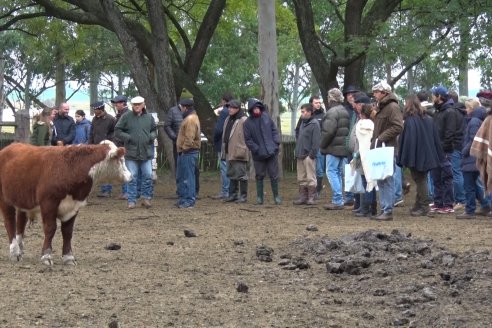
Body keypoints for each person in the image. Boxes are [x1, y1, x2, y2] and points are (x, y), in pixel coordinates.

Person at [397, 95, 444, 217]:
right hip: (428, 154)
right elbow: (435, 138)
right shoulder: (428, 119)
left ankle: (424, 206)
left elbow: (408, 141)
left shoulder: (410, 121)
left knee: (420, 179)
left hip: (417, 155)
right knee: (421, 178)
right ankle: (418, 205)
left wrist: (406, 157)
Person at [115, 96, 157, 210]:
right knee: (132, 177)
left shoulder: (149, 117)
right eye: (135, 104)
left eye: (139, 104)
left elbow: (154, 129)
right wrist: (127, 137)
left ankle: (147, 198)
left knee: (148, 175)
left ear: (143, 104)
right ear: (132, 105)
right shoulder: (126, 117)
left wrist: (151, 137)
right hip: (131, 153)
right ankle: (131, 200)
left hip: (146, 152)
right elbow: (117, 130)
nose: (137, 106)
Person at [370, 81, 403, 221]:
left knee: (387, 179)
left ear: (385, 93)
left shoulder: (392, 107)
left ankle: (388, 210)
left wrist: (381, 138)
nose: (374, 94)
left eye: (377, 91)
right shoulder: (382, 107)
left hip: (387, 148)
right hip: (380, 148)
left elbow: (398, 126)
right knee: (381, 179)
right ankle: (384, 208)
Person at [430, 86, 463, 214]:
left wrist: (443, 149)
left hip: (445, 151)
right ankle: (438, 202)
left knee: (447, 177)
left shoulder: (450, 112)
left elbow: (450, 133)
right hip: (436, 150)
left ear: (439, 96)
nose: (432, 97)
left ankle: (448, 204)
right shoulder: (438, 111)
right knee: (436, 176)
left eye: (433, 95)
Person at [243, 98, 282, 205]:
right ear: (251, 110)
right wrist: (257, 149)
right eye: (254, 108)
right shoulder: (247, 123)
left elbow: (274, 130)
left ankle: (276, 196)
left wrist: (276, 143)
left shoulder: (266, 117)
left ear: (260, 108)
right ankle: (259, 198)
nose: (256, 110)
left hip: (271, 152)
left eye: (257, 108)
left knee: (274, 174)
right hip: (258, 155)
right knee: (259, 175)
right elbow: (248, 140)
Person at [456, 98, 490, 219]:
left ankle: (470, 210)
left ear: (472, 109)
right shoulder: (477, 120)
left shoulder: (473, 121)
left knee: (469, 186)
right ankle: (486, 205)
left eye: (468, 108)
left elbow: (473, 140)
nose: (466, 110)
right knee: (475, 185)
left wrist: (464, 152)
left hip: (470, 159)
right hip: (473, 159)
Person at [320, 88, 350, 210]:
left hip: (333, 147)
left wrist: (322, 145)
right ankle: (340, 199)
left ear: (331, 98)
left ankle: (337, 200)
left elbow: (328, 131)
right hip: (343, 147)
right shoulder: (345, 111)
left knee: (331, 172)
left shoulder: (332, 112)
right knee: (338, 172)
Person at [221, 100, 249, 203]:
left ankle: (243, 196)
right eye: (228, 107)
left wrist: (244, 147)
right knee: (231, 173)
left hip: (239, 151)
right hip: (229, 150)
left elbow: (249, 136)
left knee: (241, 174)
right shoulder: (228, 119)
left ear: (237, 108)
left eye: (231, 107)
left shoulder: (244, 119)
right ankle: (233, 195)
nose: (229, 109)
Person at [175, 98, 201, 208]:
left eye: (181, 107)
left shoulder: (190, 119)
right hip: (187, 152)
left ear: (185, 107)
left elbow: (189, 138)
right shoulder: (192, 117)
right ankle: (184, 199)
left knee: (188, 177)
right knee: (183, 176)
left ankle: (189, 201)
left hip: (188, 152)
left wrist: (184, 149)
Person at [293, 103, 320, 205]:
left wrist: (311, 155)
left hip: (309, 155)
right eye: (301, 112)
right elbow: (297, 133)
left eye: (303, 112)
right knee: (301, 177)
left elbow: (316, 141)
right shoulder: (302, 123)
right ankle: (303, 197)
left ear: (309, 112)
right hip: (300, 154)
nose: (302, 114)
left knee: (311, 177)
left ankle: (311, 198)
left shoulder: (314, 124)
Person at [89, 101, 117, 198]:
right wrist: (90, 145)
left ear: (100, 109)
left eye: (95, 109)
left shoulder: (111, 119)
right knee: (99, 169)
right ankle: (102, 189)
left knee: (106, 169)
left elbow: (115, 132)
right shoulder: (94, 119)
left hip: (106, 147)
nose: (94, 110)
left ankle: (107, 190)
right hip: (96, 147)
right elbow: (92, 133)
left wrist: (109, 143)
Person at [212, 92, 234, 200]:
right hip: (231, 143)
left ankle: (225, 191)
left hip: (222, 143)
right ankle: (230, 190)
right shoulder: (234, 112)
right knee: (229, 167)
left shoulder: (224, 112)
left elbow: (219, 129)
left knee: (224, 167)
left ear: (224, 101)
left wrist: (215, 139)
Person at [111, 95, 130, 200]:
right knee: (123, 168)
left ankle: (127, 192)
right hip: (120, 145)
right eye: (115, 103)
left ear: (123, 103)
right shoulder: (120, 114)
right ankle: (125, 191)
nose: (115, 104)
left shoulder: (126, 115)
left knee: (125, 168)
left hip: (124, 146)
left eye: (117, 103)